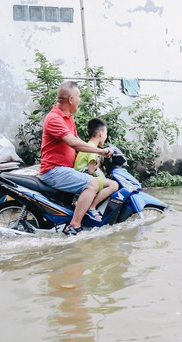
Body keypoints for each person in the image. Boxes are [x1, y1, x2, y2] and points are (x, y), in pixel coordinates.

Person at [39, 81, 113, 236]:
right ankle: (74, 225)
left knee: (93, 180)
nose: (80, 100)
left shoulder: (68, 118)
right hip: (54, 170)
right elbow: (74, 143)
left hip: (64, 170)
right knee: (92, 184)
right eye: (79, 96)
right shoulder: (54, 118)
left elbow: (77, 142)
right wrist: (100, 151)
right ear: (71, 99)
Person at [74, 118, 119, 219]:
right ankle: (92, 208)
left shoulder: (88, 146)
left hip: (81, 176)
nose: (106, 136)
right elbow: (91, 170)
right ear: (101, 133)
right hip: (85, 177)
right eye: (106, 133)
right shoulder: (92, 149)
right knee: (114, 185)